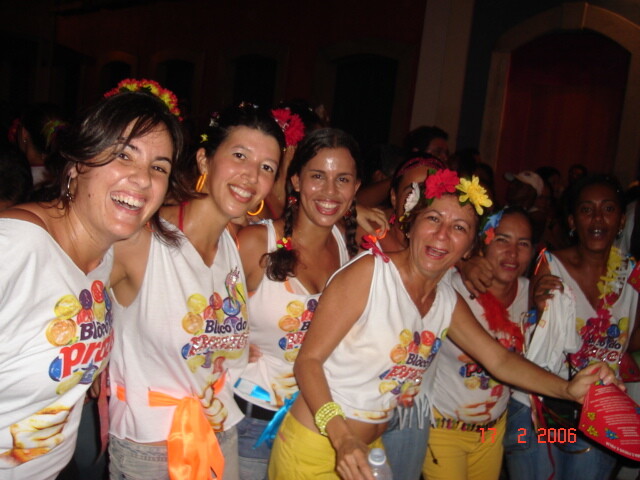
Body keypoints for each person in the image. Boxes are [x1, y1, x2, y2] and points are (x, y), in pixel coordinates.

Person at [267, 168, 618, 480]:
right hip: (318, 446)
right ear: (412, 224)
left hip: (366, 451)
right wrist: (341, 438)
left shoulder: (446, 301)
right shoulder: (371, 274)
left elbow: (499, 360)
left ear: (470, 248)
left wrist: (568, 390)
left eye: (459, 227)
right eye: (433, 219)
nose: (442, 235)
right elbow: (308, 362)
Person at [0, 83, 185, 480]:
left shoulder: (103, 255)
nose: (143, 179)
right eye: (123, 155)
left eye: (159, 167)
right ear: (77, 163)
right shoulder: (15, 245)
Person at [107, 103, 285, 480]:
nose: (251, 175)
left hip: (221, 431)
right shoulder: (142, 239)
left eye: (267, 167)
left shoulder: (232, 247)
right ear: (205, 160)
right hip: (152, 450)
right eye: (240, 156)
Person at [234, 128, 361, 479]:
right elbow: (197, 310)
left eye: (342, 179)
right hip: (253, 424)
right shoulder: (256, 243)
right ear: (295, 181)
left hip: (314, 425)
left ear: (356, 188)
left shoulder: (346, 245)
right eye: (317, 176)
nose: (330, 191)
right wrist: (229, 346)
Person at [504, 174, 640, 480]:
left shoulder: (634, 275)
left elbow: (632, 341)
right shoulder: (549, 264)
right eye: (586, 209)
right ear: (571, 220)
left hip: (600, 410)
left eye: (608, 209)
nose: (597, 218)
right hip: (539, 405)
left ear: (621, 220)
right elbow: (529, 325)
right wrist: (539, 305)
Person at [423, 206, 535, 480]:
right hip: (443, 430)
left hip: (493, 432)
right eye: (502, 240)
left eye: (523, 244)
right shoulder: (449, 287)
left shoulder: (534, 295)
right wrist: (463, 262)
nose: (512, 253)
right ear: (482, 243)